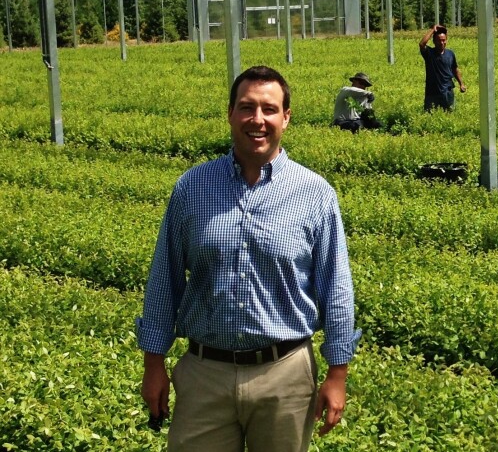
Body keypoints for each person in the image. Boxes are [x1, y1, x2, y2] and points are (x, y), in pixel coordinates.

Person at [136, 65, 360, 452]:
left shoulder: (314, 193)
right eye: (246, 107)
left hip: (285, 376)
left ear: (286, 118)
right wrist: (153, 363)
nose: (258, 119)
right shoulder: (192, 187)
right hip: (205, 373)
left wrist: (337, 373)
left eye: (269, 109)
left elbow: (336, 287)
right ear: (230, 114)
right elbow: (164, 279)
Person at [419, 24, 466, 111]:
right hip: (432, 93)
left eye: (444, 40)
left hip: (447, 92)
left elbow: (455, 69)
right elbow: (422, 44)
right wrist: (433, 29)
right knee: (430, 116)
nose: (442, 43)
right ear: (434, 41)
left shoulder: (450, 54)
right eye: (439, 40)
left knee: (449, 114)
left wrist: (461, 84)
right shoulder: (429, 53)